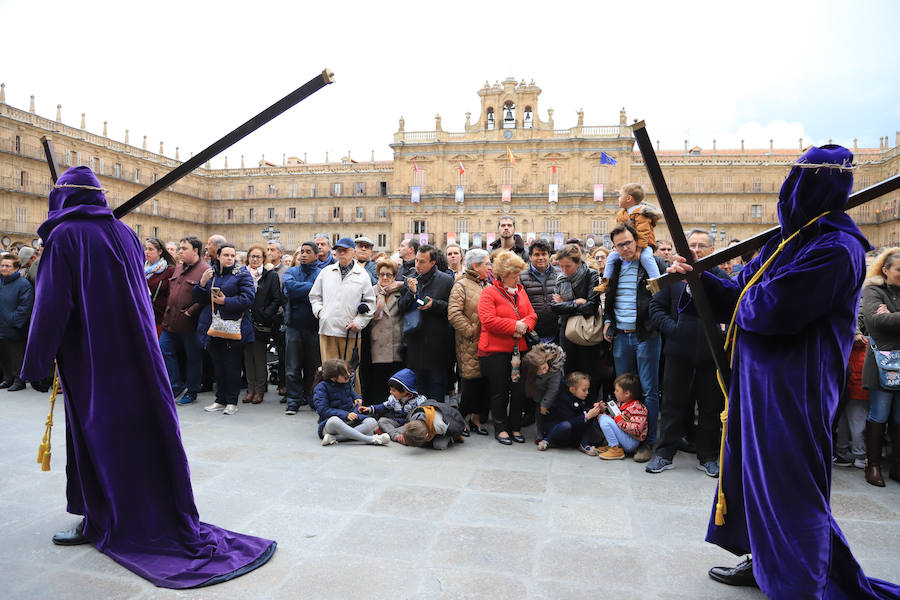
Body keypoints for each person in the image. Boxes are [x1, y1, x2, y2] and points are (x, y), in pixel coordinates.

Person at [19, 166, 274, 588]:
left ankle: (101, 519)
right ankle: (137, 512)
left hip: (95, 358)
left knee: (93, 438)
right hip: (140, 354)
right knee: (142, 435)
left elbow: (51, 305)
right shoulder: (123, 233)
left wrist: (34, 363)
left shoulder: (64, 237)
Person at [668, 145, 900, 597]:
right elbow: (739, 289)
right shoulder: (786, 240)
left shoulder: (839, 246)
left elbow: (773, 308)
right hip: (756, 383)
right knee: (753, 476)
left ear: (810, 186)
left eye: (795, 180)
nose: (785, 191)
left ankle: (799, 581)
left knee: (791, 486)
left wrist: (733, 293)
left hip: (796, 389)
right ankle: (764, 560)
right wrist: (695, 277)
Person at [645, 229, 729, 477]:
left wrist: (719, 335)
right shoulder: (673, 278)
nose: (696, 249)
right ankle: (664, 454)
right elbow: (656, 307)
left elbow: (732, 303)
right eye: (692, 245)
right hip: (678, 350)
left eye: (702, 245)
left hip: (710, 351)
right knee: (671, 404)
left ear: (712, 250)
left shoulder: (718, 277)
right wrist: (674, 329)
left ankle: (708, 456)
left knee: (710, 407)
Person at [601, 223, 664, 462]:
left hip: (646, 334)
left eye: (628, 242)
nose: (625, 248)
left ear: (636, 240)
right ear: (614, 247)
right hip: (620, 335)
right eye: (620, 245)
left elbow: (662, 295)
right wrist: (608, 320)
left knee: (649, 391)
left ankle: (647, 443)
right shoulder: (615, 264)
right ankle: (624, 435)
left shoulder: (652, 263)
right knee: (623, 392)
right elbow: (609, 294)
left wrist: (656, 325)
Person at [478, 250, 537, 445]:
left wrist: (525, 325)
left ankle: (515, 427)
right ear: (502, 275)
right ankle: (501, 428)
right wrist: (514, 326)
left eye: (518, 274)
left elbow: (532, 315)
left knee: (518, 390)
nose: (517, 278)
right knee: (499, 391)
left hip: (518, 350)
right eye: (514, 275)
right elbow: (487, 320)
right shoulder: (489, 292)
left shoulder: (520, 290)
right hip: (494, 351)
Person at [194, 243, 255, 415]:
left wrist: (225, 302)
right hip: (212, 326)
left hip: (234, 327)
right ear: (218, 256)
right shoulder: (210, 273)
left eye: (232, 255)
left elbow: (248, 299)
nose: (229, 258)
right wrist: (202, 283)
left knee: (232, 366)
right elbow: (198, 298)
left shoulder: (242, 274)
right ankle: (220, 400)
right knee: (218, 366)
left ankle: (231, 401)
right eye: (226, 255)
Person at [309, 237, 376, 389]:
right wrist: (321, 313)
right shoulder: (326, 272)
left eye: (345, 250)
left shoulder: (362, 274)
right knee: (329, 370)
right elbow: (314, 296)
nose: (342, 253)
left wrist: (359, 322)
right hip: (328, 330)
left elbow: (370, 303)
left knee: (350, 371)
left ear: (353, 252)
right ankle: (329, 402)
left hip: (350, 331)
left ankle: (353, 403)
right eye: (339, 250)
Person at [860, 247, 900, 486]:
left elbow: (886, 321)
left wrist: (891, 317)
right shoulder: (873, 290)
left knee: (899, 417)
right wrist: (887, 319)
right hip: (882, 364)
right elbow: (875, 322)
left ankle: (896, 465)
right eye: (899, 269)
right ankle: (872, 465)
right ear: (885, 270)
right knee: (880, 414)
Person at [398, 244, 454, 402]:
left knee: (436, 385)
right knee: (417, 387)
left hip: (437, 343)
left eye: (422, 262)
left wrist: (434, 305)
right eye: (416, 260)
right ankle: (419, 421)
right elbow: (401, 308)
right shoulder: (410, 278)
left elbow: (453, 309)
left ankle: (436, 421)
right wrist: (411, 292)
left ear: (433, 263)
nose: (417, 265)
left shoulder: (445, 281)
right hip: (415, 342)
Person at [552, 244, 604, 402]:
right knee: (569, 373)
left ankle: (589, 410)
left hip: (587, 330)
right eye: (561, 266)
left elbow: (591, 307)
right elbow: (554, 307)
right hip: (566, 330)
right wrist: (575, 303)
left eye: (568, 266)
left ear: (579, 263)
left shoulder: (591, 275)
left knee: (588, 373)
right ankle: (571, 409)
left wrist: (566, 305)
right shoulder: (561, 278)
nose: (564, 270)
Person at [160, 236, 208, 406]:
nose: (180, 251)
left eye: (184, 248)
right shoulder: (179, 268)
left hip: (190, 324)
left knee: (193, 358)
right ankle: (176, 385)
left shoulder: (205, 269)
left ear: (195, 250)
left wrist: (190, 312)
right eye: (179, 248)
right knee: (163, 350)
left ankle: (192, 390)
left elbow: (206, 298)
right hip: (170, 321)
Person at [448, 248, 491, 435]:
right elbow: (454, 313)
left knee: (483, 383)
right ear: (476, 265)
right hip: (469, 343)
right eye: (487, 263)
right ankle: (460, 421)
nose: (490, 266)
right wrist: (471, 331)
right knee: (470, 384)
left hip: (487, 343)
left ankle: (475, 420)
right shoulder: (461, 285)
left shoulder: (487, 285)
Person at [282, 241, 322, 414]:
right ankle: (293, 401)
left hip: (314, 327)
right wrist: (311, 290)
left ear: (316, 255)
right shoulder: (290, 272)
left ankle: (312, 397)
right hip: (293, 326)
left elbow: (322, 294)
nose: (303, 255)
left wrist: (303, 293)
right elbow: (289, 290)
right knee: (292, 367)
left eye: (307, 252)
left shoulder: (322, 274)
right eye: (301, 252)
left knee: (313, 367)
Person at [313, 358, 391, 446]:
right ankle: (371, 439)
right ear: (333, 377)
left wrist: (357, 398)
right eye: (344, 374)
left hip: (352, 420)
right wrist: (345, 415)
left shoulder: (346, 383)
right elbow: (323, 410)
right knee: (334, 421)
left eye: (348, 372)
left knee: (372, 422)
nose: (349, 375)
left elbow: (352, 393)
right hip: (332, 423)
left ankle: (334, 438)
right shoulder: (321, 388)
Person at [600, 183, 662, 289]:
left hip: (645, 245)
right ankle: (606, 283)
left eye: (620, 196)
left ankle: (657, 282)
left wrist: (638, 250)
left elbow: (643, 233)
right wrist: (615, 246)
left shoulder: (642, 213)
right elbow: (617, 232)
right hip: (626, 245)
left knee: (646, 258)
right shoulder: (622, 214)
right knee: (611, 257)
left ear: (629, 198)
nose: (618, 199)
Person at [243, 244, 283, 404]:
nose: (254, 259)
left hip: (262, 323)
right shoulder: (242, 274)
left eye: (258, 256)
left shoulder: (270, 276)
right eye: (252, 256)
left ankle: (259, 390)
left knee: (259, 357)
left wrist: (266, 314)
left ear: (263, 259)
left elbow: (276, 298)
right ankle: (250, 389)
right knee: (247, 358)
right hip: (244, 321)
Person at [367, 258, 406, 405]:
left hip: (396, 343)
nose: (384, 278)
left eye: (388, 275)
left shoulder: (400, 292)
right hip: (377, 343)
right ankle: (377, 408)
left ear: (394, 276)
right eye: (381, 274)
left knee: (394, 381)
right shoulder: (371, 292)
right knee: (378, 380)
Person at [537, 371, 602, 455]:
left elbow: (586, 417)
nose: (587, 392)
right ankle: (547, 440)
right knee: (566, 425)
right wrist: (586, 416)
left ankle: (584, 444)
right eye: (584, 390)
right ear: (572, 389)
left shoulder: (584, 398)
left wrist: (597, 409)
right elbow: (569, 420)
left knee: (589, 422)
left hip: (573, 433)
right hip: (558, 430)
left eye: (588, 389)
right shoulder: (563, 399)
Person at [0, 253, 34, 391]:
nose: (3, 268)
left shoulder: (23, 284)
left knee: (16, 355)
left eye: (7, 266)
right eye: (2, 265)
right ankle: (7, 378)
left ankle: (19, 381)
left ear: (16, 268)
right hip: (1, 326)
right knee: (3, 355)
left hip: (14, 328)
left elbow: (25, 307)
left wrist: (13, 321)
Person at [360, 368, 427, 438]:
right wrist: (369, 409)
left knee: (412, 428)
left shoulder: (419, 401)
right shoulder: (393, 399)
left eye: (394, 390)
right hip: (396, 422)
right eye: (390, 389)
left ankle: (392, 434)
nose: (390, 392)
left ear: (406, 391)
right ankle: (397, 436)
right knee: (382, 421)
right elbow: (384, 406)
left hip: (409, 424)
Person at [597, 372, 648, 460]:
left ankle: (615, 449)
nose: (614, 392)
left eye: (617, 390)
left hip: (632, 442)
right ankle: (613, 446)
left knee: (604, 420)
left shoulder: (637, 407)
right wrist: (603, 411)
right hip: (625, 438)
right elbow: (616, 420)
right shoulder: (621, 403)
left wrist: (619, 420)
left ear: (627, 393)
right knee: (603, 417)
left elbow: (637, 429)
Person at [520, 239, 561, 344]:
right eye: (536, 255)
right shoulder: (521, 277)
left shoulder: (560, 274)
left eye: (544, 254)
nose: (541, 258)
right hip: (532, 334)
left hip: (557, 332)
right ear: (530, 257)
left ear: (549, 255)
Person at [522, 342, 566, 441]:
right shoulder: (531, 364)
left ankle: (553, 431)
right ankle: (540, 432)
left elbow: (553, 389)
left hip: (556, 389)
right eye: (539, 371)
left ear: (545, 360)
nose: (543, 372)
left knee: (550, 408)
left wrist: (545, 404)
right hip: (539, 389)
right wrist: (540, 403)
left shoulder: (555, 365)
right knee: (539, 408)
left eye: (544, 368)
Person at [392, 399, 467, 449]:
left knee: (439, 445)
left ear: (428, 436)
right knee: (410, 435)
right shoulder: (412, 416)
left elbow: (459, 427)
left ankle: (450, 439)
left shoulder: (441, 425)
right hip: (430, 413)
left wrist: (458, 435)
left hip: (450, 419)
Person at [144, 237, 176, 337]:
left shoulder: (169, 270)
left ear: (160, 251)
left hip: (160, 317)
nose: (147, 252)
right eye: (146, 249)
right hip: (143, 315)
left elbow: (172, 294)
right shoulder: (141, 268)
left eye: (151, 249)